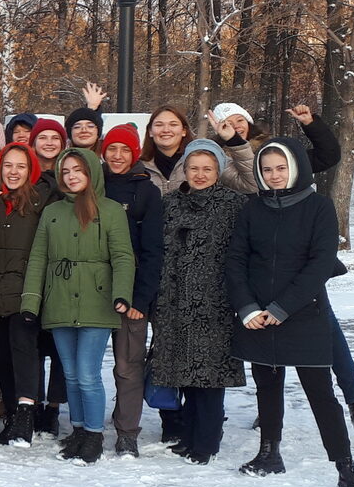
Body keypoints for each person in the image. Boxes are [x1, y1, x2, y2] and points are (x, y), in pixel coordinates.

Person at [226, 137, 354, 487]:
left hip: (303, 312)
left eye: (280, 168)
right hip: (257, 315)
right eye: (267, 169)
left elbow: (320, 263)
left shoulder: (318, 207)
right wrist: (247, 307)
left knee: (320, 393)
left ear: (294, 168)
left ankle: (346, 468)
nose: (274, 175)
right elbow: (236, 260)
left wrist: (282, 308)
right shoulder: (252, 209)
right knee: (268, 387)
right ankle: (268, 453)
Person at [21, 148, 137, 466]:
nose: (72, 176)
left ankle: (94, 434)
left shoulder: (110, 210)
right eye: (66, 171)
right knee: (70, 375)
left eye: (78, 170)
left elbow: (124, 256)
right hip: (59, 298)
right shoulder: (53, 212)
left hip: (97, 302)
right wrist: (31, 300)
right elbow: (38, 258)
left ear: (91, 173)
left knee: (87, 374)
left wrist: (122, 294)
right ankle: (78, 430)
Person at [151, 139, 248, 464]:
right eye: (194, 168)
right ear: (185, 170)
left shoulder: (233, 204)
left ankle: (206, 442)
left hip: (214, 301)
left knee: (209, 376)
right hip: (174, 299)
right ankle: (188, 435)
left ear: (218, 170)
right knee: (183, 372)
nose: (200, 174)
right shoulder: (170, 203)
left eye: (207, 169)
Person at [0, 142, 50, 447]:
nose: (13, 172)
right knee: (1, 356)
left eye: (20, 166)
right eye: (8, 165)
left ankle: (26, 418)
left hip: (24, 288)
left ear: (30, 169)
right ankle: (11, 417)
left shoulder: (41, 201)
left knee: (24, 351)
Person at [98, 124, 163, 458]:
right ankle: (89, 426)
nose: (118, 156)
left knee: (127, 363)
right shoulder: (93, 186)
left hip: (131, 290)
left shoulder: (147, 191)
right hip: (93, 288)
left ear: (135, 152)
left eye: (125, 150)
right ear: (103, 152)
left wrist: (142, 299)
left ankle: (127, 432)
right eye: (112, 149)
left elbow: (154, 250)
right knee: (87, 365)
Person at [140, 106, 257, 196]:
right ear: (150, 131)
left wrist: (234, 141)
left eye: (173, 124)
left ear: (184, 131)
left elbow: (251, 184)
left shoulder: (207, 159)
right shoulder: (138, 167)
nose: (166, 130)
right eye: (159, 125)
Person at [29, 119, 67, 188]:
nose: (49, 143)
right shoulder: (25, 173)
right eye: (43, 138)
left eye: (55, 138)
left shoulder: (68, 173)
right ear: (34, 143)